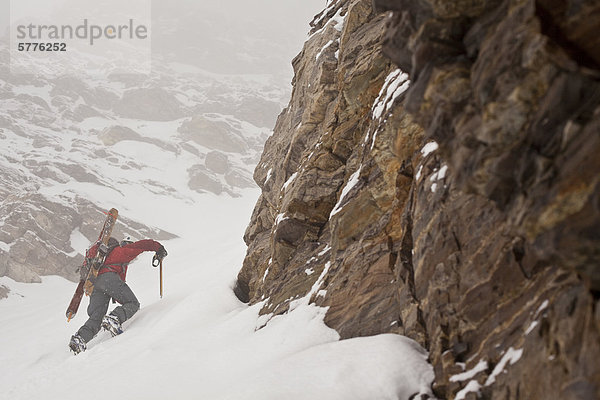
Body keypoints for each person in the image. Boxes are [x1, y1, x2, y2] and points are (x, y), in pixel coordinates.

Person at [69, 236, 168, 354]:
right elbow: (143, 245)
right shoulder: (121, 251)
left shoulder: (104, 258)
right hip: (108, 279)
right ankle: (114, 319)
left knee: (96, 317)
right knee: (133, 303)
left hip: (95, 284)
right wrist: (159, 248)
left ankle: (79, 339)